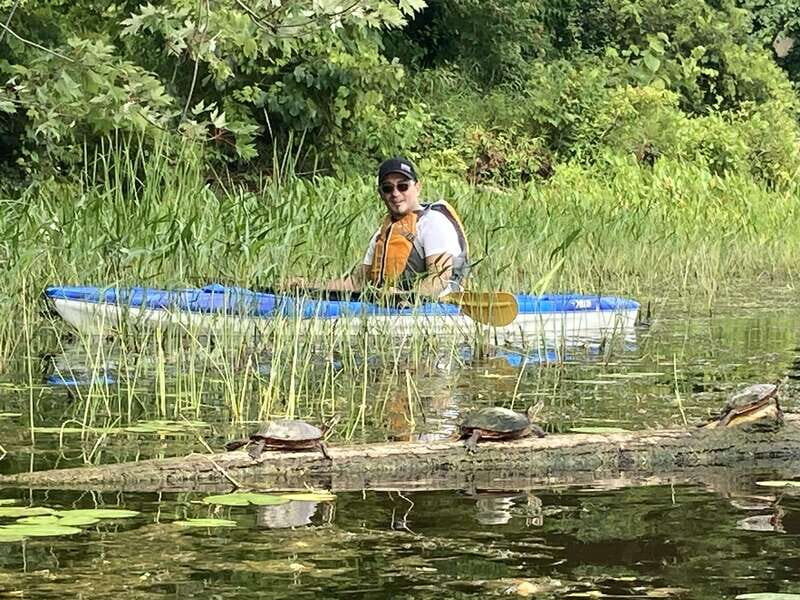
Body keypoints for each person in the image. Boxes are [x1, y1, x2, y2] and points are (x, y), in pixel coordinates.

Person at [288, 157, 469, 299]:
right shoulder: (384, 231)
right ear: (380, 193)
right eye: (388, 188)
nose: (396, 193)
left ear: (417, 187)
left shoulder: (432, 222)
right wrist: (307, 285)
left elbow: (439, 279)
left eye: (403, 186)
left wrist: (404, 298)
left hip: (432, 308)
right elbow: (357, 282)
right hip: (389, 305)